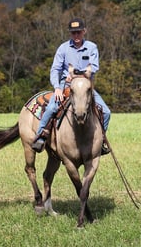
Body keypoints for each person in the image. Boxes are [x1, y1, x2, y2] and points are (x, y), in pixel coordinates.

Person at [32, 17, 111, 155]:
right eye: (73, 33)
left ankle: (101, 140)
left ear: (84, 31)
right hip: (66, 84)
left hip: (86, 86)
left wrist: (80, 73)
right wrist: (57, 87)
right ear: (70, 33)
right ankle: (40, 136)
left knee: (106, 112)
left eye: (79, 32)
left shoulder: (92, 47)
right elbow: (55, 69)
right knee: (51, 108)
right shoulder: (63, 48)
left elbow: (94, 67)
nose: (76, 36)